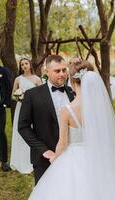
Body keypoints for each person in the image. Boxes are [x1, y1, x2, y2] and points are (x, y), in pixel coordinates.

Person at [28, 60, 115, 200]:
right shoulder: (100, 107)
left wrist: (54, 158)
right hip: (98, 157)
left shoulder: (67, 110)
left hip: (73, 160)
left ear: (73, 80)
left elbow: (63, 143)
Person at [18, 55, 75, 184]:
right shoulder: (32, 95)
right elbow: (23, 127)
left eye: (64, 70)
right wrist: (44, 150)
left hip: (71, 156)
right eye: (57, 71)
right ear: (46, 71)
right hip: (44, 159)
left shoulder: (72, 92)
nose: (62, 74)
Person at [10, 58, 42, 174]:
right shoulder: (18, 79)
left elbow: (41, 95)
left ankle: (33, 160)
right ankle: (21, 160)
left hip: (34, 109)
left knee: (33, 132)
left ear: (30, 65)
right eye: (22, 64)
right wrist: (19, 97)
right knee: (22, 131)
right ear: (20, 67)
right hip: (21, 108)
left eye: (26, 63)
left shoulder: (37, 79)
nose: (24, 66)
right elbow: (13, 95)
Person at [0, 65, 12, 171]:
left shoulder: (2, 70)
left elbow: (8, 87)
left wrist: (5, 103)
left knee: (1, 132)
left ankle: (4, 161)